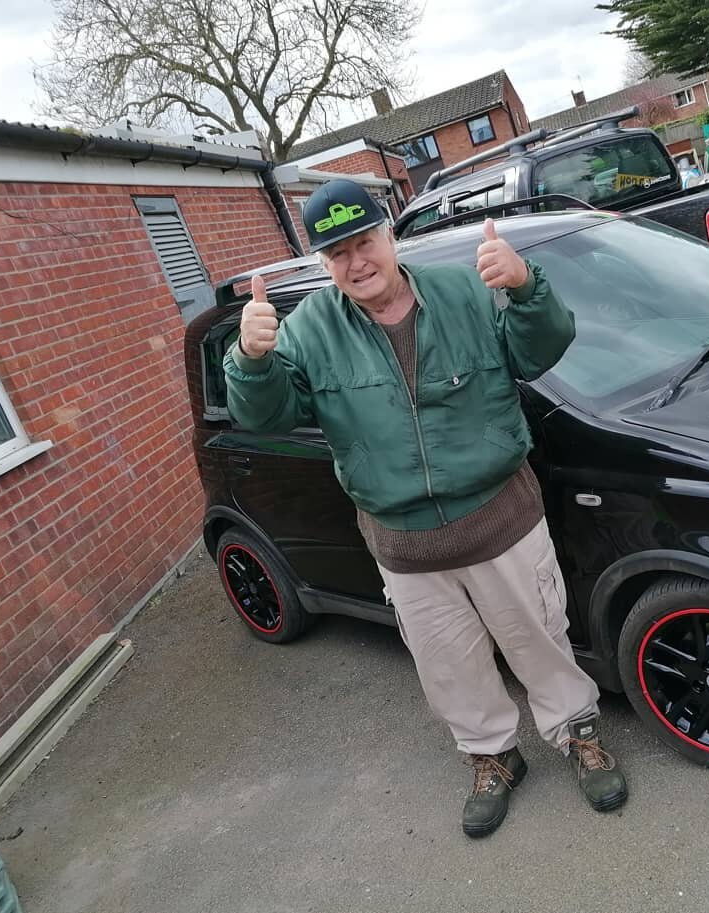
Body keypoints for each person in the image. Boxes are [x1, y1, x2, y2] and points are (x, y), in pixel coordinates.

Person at [224, 179, 628, 837]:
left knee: (541, 641)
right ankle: (493, 756)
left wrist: (526, 287)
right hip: (405, 546)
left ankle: (578, 736)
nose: (356, 262)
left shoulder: (465, 292)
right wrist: (252, 359)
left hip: (501, 522)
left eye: (364, 242)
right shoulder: (307, 332)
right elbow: (266, 415)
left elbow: (542, 348)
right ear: (323, 264)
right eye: (337, 253)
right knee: (449, 666)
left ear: (391, 235)